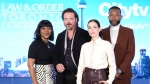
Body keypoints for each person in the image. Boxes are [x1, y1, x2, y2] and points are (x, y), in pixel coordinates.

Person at [52, 8, 91, 84]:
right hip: (63, 75)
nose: (68, 22)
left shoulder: (85, 35)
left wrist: (84, 71)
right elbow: (55, 54)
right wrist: (57, 64)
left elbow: (91, 55)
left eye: (71, 19)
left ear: (76, 20)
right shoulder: (60, 36)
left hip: (79, 75)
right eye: (65, 19)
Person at [100, 6, 135, 84]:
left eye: (116, 15)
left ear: (121, 16)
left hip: (123, 75)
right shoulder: (102, 32)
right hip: (106, 75)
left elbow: (130, 53)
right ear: (108, 17)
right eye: (111, 15)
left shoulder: (128, 32)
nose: (114, 18)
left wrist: (119, 70)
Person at [77, 19, 116, 84]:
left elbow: (112, 66)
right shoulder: (84, 46)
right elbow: (81, 66)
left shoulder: (106, 44)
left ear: (99, 29)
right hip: (86, 78)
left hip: (100, 77)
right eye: (89, 28)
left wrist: (109, 81)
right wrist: (78, 82)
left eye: (94, 27)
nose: (92, 30)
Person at [27, 20, 55, 84]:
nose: (46, 31)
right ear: (39, 30)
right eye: (43, 28)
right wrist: (35, 82)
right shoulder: (35, 45)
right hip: (40, 80)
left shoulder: (52, 46)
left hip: (52, 80)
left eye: (49, 28)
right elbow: (30, 65)